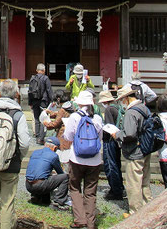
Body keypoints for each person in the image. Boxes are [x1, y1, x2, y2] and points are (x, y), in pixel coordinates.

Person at [0, 79, 30, 229]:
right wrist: (19, 157)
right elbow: (24, 143)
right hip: (10, 163)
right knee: (7, 204)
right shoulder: (18, 115)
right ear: (16, 94)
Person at [63, 91, 103, 229]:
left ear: (79, 103)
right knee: (90, 191)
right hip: (95, 159)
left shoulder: (74, 117)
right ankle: (91, 222)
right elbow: (100, 138)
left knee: (74, 187)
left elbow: (68, 136)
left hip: (77, 158)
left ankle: (80, 219)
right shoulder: (97, 118)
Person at [112, 84, 151, 218]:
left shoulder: (131, 112)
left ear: (127, 98)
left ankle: (135, 212)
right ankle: (148, 206)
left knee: (134, 182)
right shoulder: (144, 108)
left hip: (134, 151)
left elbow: (129, 134)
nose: (122, 102)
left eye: (122, 99)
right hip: (145, 148)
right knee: (145, 180)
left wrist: (117, 135)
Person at [25, 136, 69, 210]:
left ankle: (36, 197)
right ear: (54, 148)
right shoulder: (53, 155)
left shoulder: (35, 152)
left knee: (44, 175)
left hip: (28, 185)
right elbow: (60, 173)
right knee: (65, 177)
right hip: (40, 185)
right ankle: (58, 202)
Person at [98, 90, 125, 200]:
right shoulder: (118, 108)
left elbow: (109, 127)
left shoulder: (109, 109)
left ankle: (115, 190)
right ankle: (119, 187)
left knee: (110, 165)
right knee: (116, 164)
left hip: (110, 140)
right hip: (117, 139)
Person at [43, 90, 74, 171]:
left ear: (58, 99)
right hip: (71, 135)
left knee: (63, 158)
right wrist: (52, 113)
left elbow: (55, 124)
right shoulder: (71, 106)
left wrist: (46, 123)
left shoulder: (62, 110)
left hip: (63, 136)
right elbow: (62, 115)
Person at [30, 63, 53, 145]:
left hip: (34, 101)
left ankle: (37, 137)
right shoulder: (45, 78)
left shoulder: (32, 78)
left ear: (37, 70)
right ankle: (41, 138)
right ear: (44, 71)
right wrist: (51, 100)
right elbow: (49, 90)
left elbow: (30, 91)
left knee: (36, 119)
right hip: (43, 101)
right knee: (43, 119)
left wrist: (30, 102)